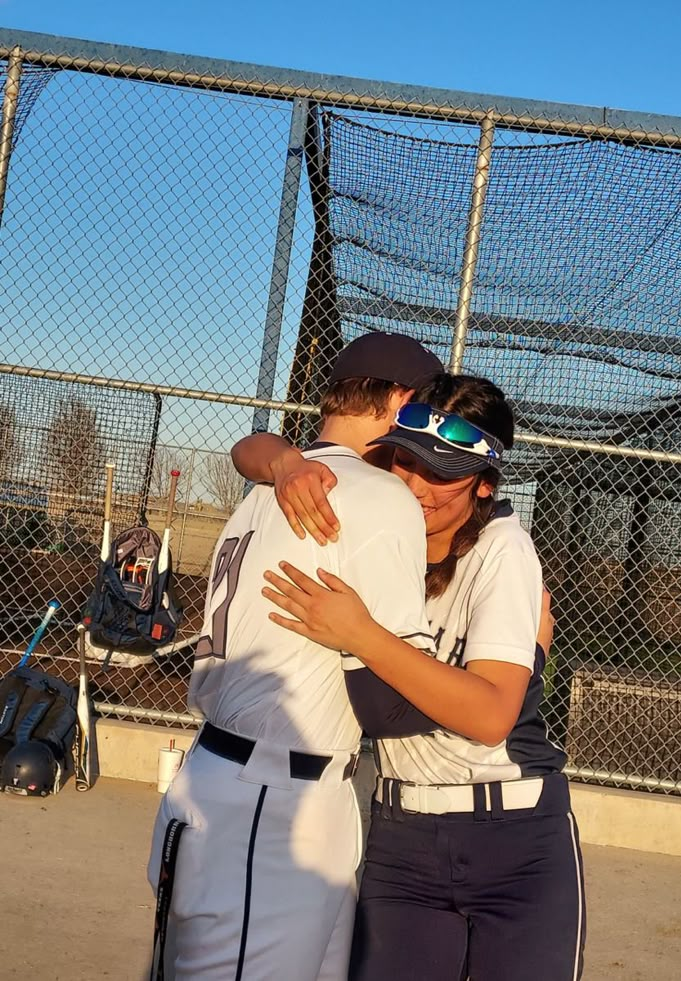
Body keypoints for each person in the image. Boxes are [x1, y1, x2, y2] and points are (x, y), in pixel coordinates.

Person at [233, 371, 585, 981]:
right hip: (401, 835)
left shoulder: (502, 549)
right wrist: (287, 461)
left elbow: (490, 716)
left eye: (445, 473)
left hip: (514, 839)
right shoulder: (382, 527)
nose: (419, 487)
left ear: (483, 486)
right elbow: (249, 450)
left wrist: (361, 635)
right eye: (409, 462)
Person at [146, 332, 444, 981]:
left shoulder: (271, 484)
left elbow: (248, 450)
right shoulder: (378, 495)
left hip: (242, 785)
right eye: (422, 408)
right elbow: (397, 701)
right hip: (271, 810)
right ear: (397, 400)